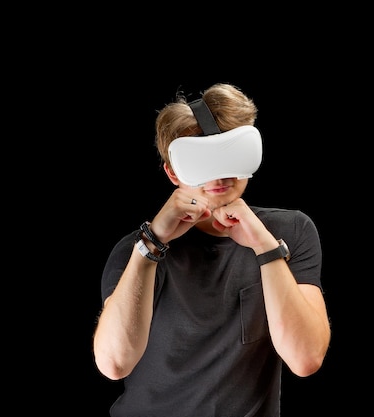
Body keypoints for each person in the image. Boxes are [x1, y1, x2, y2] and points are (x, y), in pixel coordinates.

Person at [92, 83, 331, 416]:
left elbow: (305, 359)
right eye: (201, 158)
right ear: (172, 171)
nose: (219, 174)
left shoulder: (290, 232)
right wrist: (151, 244)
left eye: (230, 152)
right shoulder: (132, 252)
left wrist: (265, 248)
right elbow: (114, 363)